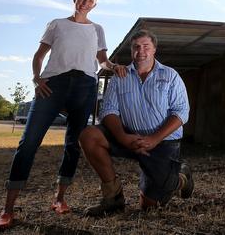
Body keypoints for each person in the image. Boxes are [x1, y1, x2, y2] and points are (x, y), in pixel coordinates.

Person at [0, 0, 128, 229]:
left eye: (90, 1)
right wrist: (37, 78)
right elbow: (39, 56)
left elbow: (102, 61)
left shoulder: (98, 29)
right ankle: (7, 209)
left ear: (94, 5)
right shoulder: (57, 24)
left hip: (85, 87)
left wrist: (114, 66)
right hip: (53, 85)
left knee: (73, 144)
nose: (85, 3)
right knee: (28, 143)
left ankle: (59, 199)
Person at [79, 29, 193, 216]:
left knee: (149, 206)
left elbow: (181, 112)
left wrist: (154, 139)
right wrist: (122, 137)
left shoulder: (170, 75)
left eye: (146, 46)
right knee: (89, 136)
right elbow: (108, 110)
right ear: (131, 50)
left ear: (154, 49)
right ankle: (113, 198)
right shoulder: (120, 76)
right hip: (128, 135)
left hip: (162, 142)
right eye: (136, 47)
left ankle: (181, 177)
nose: (141, 51)